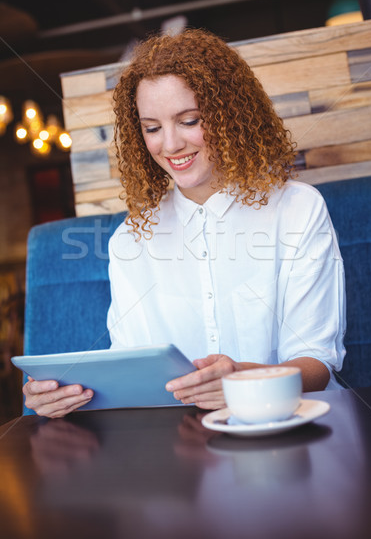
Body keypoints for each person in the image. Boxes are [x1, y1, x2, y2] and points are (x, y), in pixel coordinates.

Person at [24, 29, 346, 418]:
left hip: (289, 425)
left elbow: (317, 364)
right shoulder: (130, 238)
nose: (171, 144)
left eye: (189, 120)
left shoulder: (298, 209)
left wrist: (242, 380)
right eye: (152, 128)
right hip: (181, 448)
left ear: (230, 115)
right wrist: (65, 394)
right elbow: (129, 365)